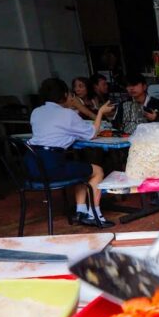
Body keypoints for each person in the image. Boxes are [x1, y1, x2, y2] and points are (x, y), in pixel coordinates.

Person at [27, 78, 115, 227]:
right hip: (51, 166)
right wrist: (100, 112)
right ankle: (95, 214)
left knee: (80, 168)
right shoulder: (68, 115)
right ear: (65, 95)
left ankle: (81, 212)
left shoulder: (36, 112)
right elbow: (92, 133)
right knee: (97, 171)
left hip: (31, 166)